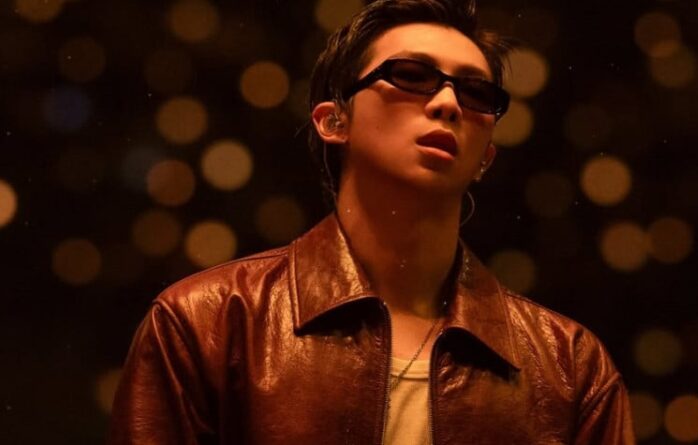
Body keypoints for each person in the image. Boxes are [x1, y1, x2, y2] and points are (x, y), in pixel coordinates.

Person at [108, 1, 636, 444]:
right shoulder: (209, 323)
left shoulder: (569, 368)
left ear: (486, 157)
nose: (448, 103)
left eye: (476, 94)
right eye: (410, 76)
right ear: (333, 120)